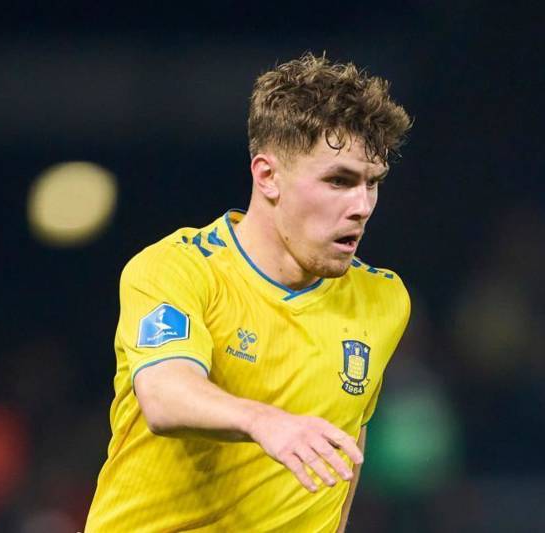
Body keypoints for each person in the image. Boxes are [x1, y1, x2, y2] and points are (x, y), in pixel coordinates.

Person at [85, 52, 412, 532]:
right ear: (267, 176)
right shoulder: (177, 269)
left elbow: (345, 445)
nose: (361, 206)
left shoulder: (383, 300)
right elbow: (164, 394)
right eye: (339, 181)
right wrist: (264, 421)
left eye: (372, 184)